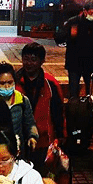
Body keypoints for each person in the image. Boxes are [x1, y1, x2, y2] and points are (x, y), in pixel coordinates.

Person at [15, 42, 65, 171]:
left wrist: (60, 135)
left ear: (42, 61)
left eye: (33, 60)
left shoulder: (50, 83)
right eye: (26, 59)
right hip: (19, 140)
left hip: (43, 140)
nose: (29, 63)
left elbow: (58, 111)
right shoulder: (14, 81)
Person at [54, 0, 93, 99]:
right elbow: (59, 39)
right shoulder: (73, 22)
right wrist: (69, 34)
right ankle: (73, 106)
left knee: (91, 93)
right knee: (73, 92)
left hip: (91, 64)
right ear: (85, 11)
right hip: (74, 63)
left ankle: (90, 107)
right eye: (91, 13)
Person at [0, 62, 38, 156]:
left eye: (10, 82)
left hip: (16, 149)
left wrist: (32, 137)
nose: (6, 86)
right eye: (2, 83)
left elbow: (30, 123)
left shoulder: (22, 100)